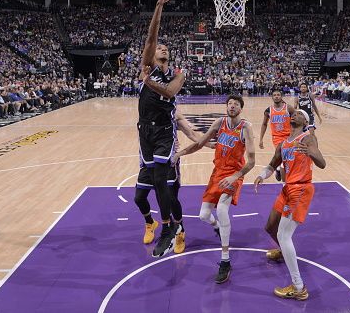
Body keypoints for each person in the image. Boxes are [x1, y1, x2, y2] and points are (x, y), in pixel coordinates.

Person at [172, 95, 256, 284]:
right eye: (230, 104)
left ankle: (225, 261)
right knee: (203, 215)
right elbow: (200, 142)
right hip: (217, 172)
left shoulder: (245, 127)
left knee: (222, 210)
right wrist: (180, 153)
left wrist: (235, 176)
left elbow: (252, 161)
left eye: (236, 104)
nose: (232, 106)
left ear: (241, 109)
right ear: (226, 107)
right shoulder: (220, 122)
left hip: (234, 173)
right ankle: (217, 227)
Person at [254, 109, 326, 301]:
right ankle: (283, 252)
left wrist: (312, 152)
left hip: (301, 189)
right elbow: (271, 165)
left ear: (305, 121)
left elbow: (322, 163)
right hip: (288, 188)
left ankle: (299, 287)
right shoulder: (284, 143)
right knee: (270, 227)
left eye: (299, 114)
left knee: (283, 234)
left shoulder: (308, 138)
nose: (294, 115)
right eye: (292, 114)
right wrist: (262, 175)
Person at [137, 0, 187, 258]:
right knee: (155, 182)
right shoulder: (147, 65)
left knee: (162, 180)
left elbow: (170, 92)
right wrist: (158, 5)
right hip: (144, 130)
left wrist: (148, 82)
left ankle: (169, 227)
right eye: (159, 47)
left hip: (164, 131)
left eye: (166, 48)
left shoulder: (179, 73)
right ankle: (166, 225)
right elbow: (150, 36)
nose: (162, 47)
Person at [134, 109, 214, 254]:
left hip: (167, 161)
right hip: (148, 162)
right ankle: (150, 222)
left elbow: (192, 134)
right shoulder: (144, 113)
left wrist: (211, 145)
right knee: (139, 198)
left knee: (171, 199)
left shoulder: (172, 115)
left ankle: (180, 231)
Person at [259, 89, 295, 181]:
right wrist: (261, 139)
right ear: (272, 97)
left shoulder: (289, 108)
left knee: (289, 157)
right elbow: (264, 124)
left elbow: (297, 120)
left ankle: (279, 169)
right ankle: (284, 178)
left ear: (281, 96)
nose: (276, 96)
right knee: (283, 154)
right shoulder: (268, 110)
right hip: (277, 137)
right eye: (274, 95)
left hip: (289, 136)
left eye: (278, 95)